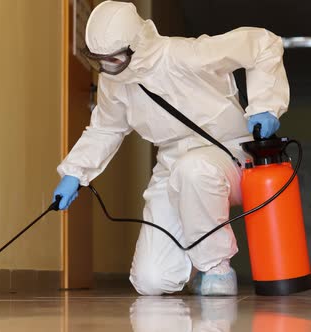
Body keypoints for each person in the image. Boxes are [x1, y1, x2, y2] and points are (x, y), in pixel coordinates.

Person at [53, 1, 288, 296]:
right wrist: (75, 171)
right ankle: (193, 266)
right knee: (151, 280)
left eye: (113, 58)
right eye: (99, 59)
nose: (106, 67)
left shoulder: (186, 55)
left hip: (229, 156)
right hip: (171, 164)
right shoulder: (114, 81)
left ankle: (216, 269)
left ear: (136, 46)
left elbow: (262, 43)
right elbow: (106, 127)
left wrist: (265, 105)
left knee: (195, 169)